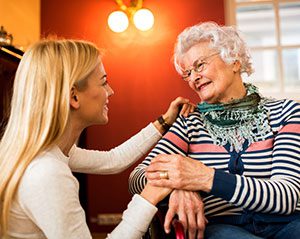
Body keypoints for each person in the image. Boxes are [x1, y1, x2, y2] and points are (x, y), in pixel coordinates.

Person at [0, 39, 195, 238]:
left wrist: (163, 122)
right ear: (73, 96)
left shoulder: (47, 151)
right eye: (103, 82)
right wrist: (148, 197)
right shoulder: (47, 172)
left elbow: (113, 160)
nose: (110, 91)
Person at [129, 21, 300, 239]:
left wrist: (204, 177)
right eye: (187, 73)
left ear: (234, 61)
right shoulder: (189, 121)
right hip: (221, 228)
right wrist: (179, 185)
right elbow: (137, 177)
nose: (193, 78)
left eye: (199, 65)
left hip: (286, 224)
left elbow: (284, 197)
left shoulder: (286, 112)